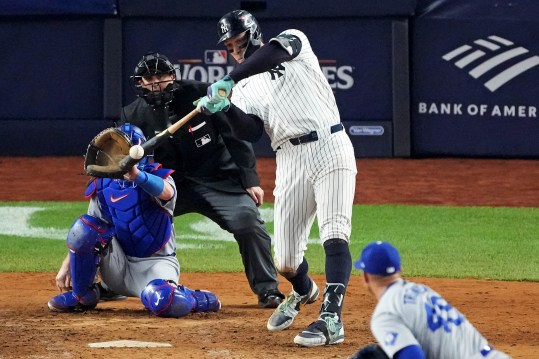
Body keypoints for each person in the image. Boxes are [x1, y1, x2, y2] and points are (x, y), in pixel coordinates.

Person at [196, 10, 358, 347]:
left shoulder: (292, 41)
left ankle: (331, 319)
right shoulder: (242, 87)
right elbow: (251, 132)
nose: (236, 51)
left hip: (331, 144)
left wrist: (229, 77)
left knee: (334, 231)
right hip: (289, 158)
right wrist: (224, 108)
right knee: (285, 260)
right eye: (230, 47)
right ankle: (304, 290)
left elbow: (272, 53)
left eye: (239, 42)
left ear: (253, 34)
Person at [120, 52, 284, 308]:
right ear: (139, 83)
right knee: (129, 220)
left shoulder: (201, 96)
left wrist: (250, 180)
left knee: (248, 221)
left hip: (217, 178)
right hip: (171, 187)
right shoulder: (132, 116)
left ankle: (268, 289)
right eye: (148, 78)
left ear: (172, 77)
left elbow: (236, 136)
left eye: (160, 76)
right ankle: (112, 284)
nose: (155, 83)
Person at [48, 123, 220, 317]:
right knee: (84, 227)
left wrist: (137, 175)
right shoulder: (103, 184)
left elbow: (167, 192)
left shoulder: (159, 178)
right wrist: (69, 261)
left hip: (154, 265)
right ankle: (83, 295)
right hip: (117, 264)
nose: (112, 156)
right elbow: (90, 229)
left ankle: (198, 298)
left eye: (118, 151)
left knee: (166, 302)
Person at [350, 241, 512, 359]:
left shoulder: (385, 314)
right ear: (400, 269)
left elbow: (413, 357)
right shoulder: (423, 291)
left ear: (365, 276)